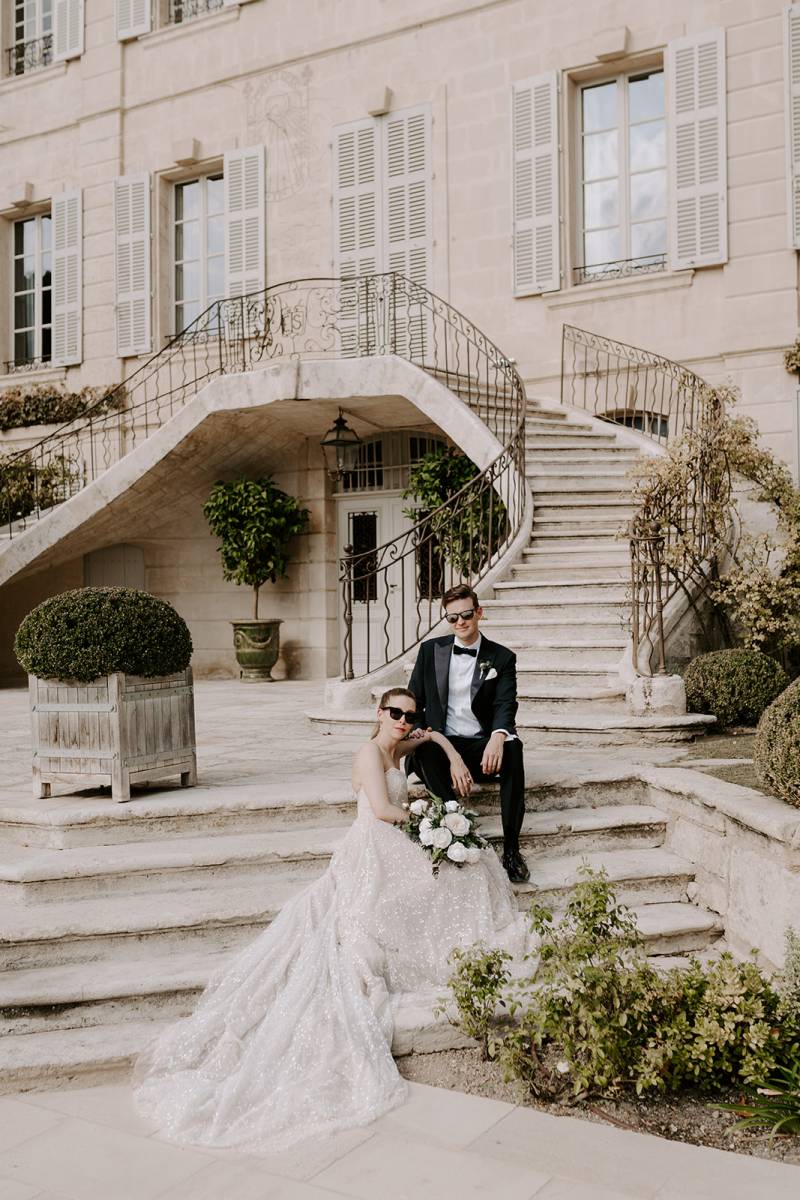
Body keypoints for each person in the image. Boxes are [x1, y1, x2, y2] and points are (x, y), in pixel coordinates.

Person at [132, 687, 529, 1154]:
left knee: (468, 867)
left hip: (394, 838)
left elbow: (430, 737)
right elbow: (382, 810)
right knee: (447, 876)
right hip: (375, 844)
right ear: (379, 713)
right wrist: (432, 821)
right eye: (396, 713)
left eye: (409, 715)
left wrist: (447, 750)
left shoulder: (397, 747)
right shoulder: (369, 753)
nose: (403, 721)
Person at [407, 583, 530, 884]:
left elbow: (505, 704)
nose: (460, 622)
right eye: (452, 617)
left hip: (480, 745)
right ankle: (457, 830)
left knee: (513, 748)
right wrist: (443, 749)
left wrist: (498, 737)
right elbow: (414, 704)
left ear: (479, 613)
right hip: (441, 744)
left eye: (466, 615)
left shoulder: (501, 657)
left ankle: (511, 849)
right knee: (423, 749)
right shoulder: (430, 651)